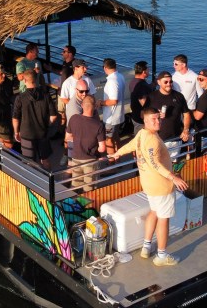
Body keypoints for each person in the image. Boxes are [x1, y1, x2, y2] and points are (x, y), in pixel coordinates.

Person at [109, 107, 188, 266]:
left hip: (148, 185)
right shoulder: (152, 140)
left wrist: (117, 153)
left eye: (158, 118)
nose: (157, 121)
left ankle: (146, 246)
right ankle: (161, 255)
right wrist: (173, 177)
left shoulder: (142, 133)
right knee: (163, 219)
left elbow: (132, 145)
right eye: (153, 119)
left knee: (154, 212)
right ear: (145, 121)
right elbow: (155, 164)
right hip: (161, 186)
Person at [12, 70, 57, 170]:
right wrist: (46, 125)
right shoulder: (46, 95)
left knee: (29, 162)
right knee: (45, 159)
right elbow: (53, 116)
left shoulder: (20, 98)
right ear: (36, 80)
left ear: (24, 80)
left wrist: (16, 132)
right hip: (42, 133)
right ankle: (48, 180)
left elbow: (15, 118)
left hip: (26, 134)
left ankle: (32, 182)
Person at [65, 95, 106, 191]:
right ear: (95, 106)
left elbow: (68, 137)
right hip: (90, 161)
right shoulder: (98, 125)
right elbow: (102, 148)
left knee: (75, 185)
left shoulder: (73, 118)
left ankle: (75, 204)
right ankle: (89, 206)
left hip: (76, 158)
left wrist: (79, 138)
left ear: (82, 105)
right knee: (89, 189)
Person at [146, 71, 191, 144]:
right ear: (159, 82)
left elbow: (186, 114)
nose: (169, 84)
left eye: (171, 82)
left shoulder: (179, 96)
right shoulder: (151, 97)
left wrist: (186, 130)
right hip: (156, 139)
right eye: (166, 82)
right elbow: (143, 115)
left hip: (175, 138)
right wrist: (155, 114)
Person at [99, 58, 125, 155]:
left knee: (108, 140)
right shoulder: (120, 76)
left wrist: (101, 103)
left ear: (105, 68)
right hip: (119, 115)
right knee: (116, 137)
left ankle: (111, 163)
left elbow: (114, 100)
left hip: (111, 117)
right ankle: (118, 159)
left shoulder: (112, 81)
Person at [129, 61, 154, 135]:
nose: (149, 71)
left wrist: (154, 84)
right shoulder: (141, 86)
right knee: (142, 139)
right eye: (148, 69)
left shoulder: (134, 81)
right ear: (144, 72)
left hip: (135, 116)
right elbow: (144, 103)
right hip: (141, 120)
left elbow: (146, 89)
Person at [57, 45, 77, 128]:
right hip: (62, 91)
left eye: (64, 51)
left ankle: (69, 129)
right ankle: (62, 129)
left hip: (68, 93)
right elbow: (63, 73)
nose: (62, 53)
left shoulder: (75, 65)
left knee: (70, 112)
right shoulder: (65, 63)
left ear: (70, 54)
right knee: (61, 112)